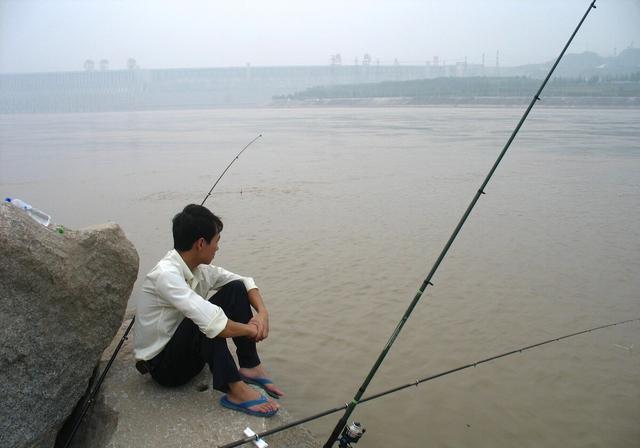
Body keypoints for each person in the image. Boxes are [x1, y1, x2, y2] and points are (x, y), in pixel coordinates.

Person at [133, 204, 284, 417]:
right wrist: (251, 330)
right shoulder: (165, 275)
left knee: (235, 289)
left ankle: (251, 366)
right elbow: (213, 323)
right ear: (201, 244)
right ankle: (236, 391)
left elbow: (244, 281)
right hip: (165, 369)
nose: (218, 248)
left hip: (189, 356)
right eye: (216, 242)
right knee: (204, 319)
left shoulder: (199, 270)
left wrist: (262, 313)